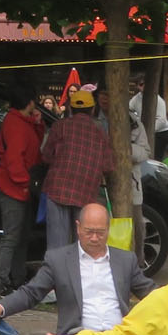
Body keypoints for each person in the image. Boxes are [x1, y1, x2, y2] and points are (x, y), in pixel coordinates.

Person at [0, 203, 153, 335]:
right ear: (78, 227)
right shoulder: (58, 259)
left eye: (100, 232)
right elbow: (32, 292)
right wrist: (1, 307)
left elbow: (151, 294)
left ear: (108, 229)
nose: (94, 238)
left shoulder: (125, 259)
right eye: (89, 231)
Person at [37, 87, 113, 251]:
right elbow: (108, 166)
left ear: (71, 108)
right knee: (82, 246)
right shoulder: (100, 133)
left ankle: (58, 269)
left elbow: (46, 156)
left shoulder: (60, 126)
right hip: (85, 192)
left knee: (57, 246)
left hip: (57, 189)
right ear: (92, 109)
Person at [0, 83, 45, 298]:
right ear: (29, 102)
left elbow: (32, 144)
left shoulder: (21, 121)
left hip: (17, 186)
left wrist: (38, 124)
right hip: (13, 187)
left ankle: (17, 278)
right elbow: (14, 159)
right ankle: (2, 282)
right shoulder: (16, 124)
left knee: (20, 236)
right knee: (12, 237)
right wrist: (25, 183)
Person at [129, 75, 168, 161]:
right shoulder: (136, 99)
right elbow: (129, 110)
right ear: (137, 86)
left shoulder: (158, 100)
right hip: (144, 131)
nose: (144, 86)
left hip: (160, 132)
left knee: (155, 158)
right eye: (141, 84)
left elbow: (161, 120)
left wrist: (147, 131)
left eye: (146, 83)